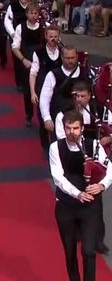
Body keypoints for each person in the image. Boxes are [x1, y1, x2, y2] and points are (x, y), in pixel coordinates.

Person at [49, 110, 112, 281]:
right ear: (64, 128)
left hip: (90, 207)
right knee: (70, 252)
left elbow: (110, 168)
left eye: (75, 128)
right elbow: (58, 177)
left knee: (89, 251)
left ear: (82, 128)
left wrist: (102, 185)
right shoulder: (55, 147)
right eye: (68, 128)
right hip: (66, 206)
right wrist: (78, 194)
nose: (72, 132)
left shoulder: (94, 145)